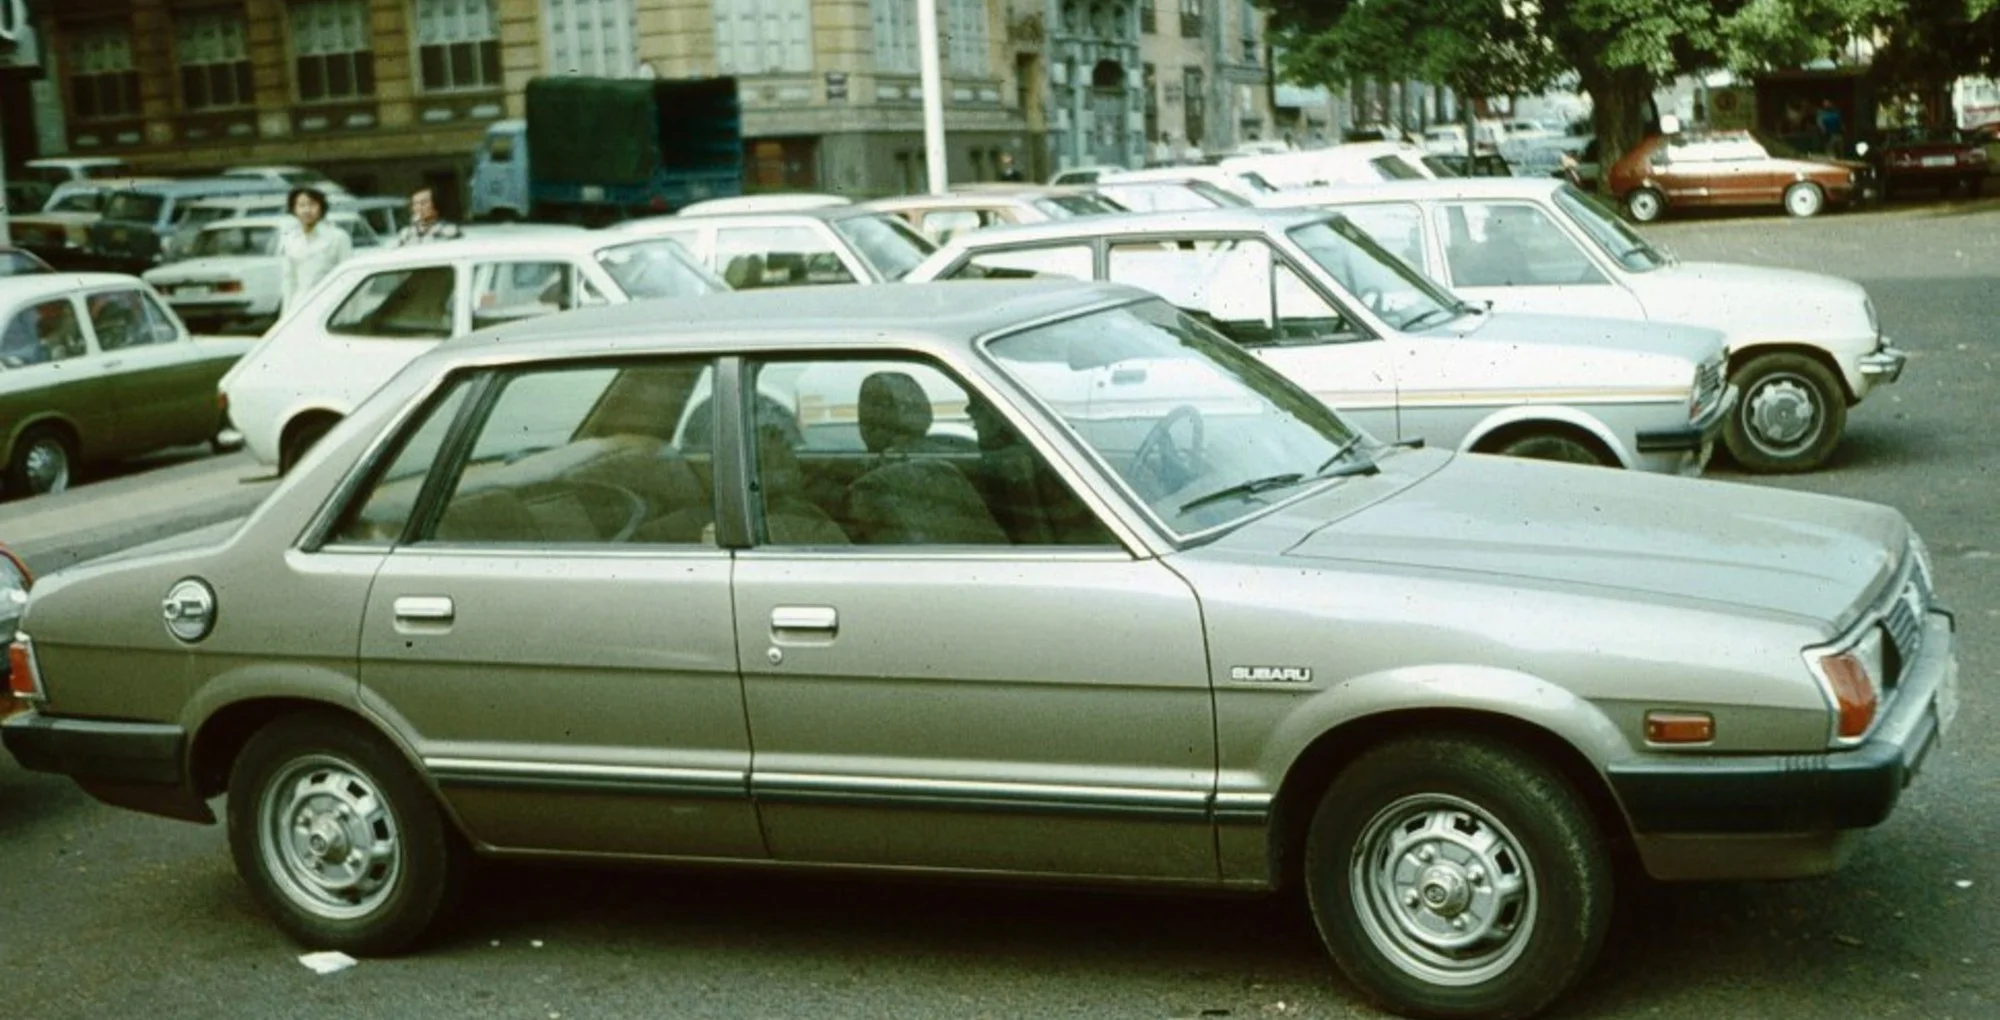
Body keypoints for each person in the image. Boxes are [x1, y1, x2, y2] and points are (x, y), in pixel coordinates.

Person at [279, 186, 352, 313]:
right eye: (301, 205)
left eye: (312, 205)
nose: (307, 210)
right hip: (300, 305)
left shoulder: (338, 237)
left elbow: (348, 277)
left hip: (330, 305)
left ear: (321, 208)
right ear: (294, 209)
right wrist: (287, 314)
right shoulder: (291, 240)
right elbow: (289, 280)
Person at [395, 187, 463, 246]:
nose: (419, 207)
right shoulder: (406, 233)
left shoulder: (448, 230)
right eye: (415, 204)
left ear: (435, 205)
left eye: (423, 203)